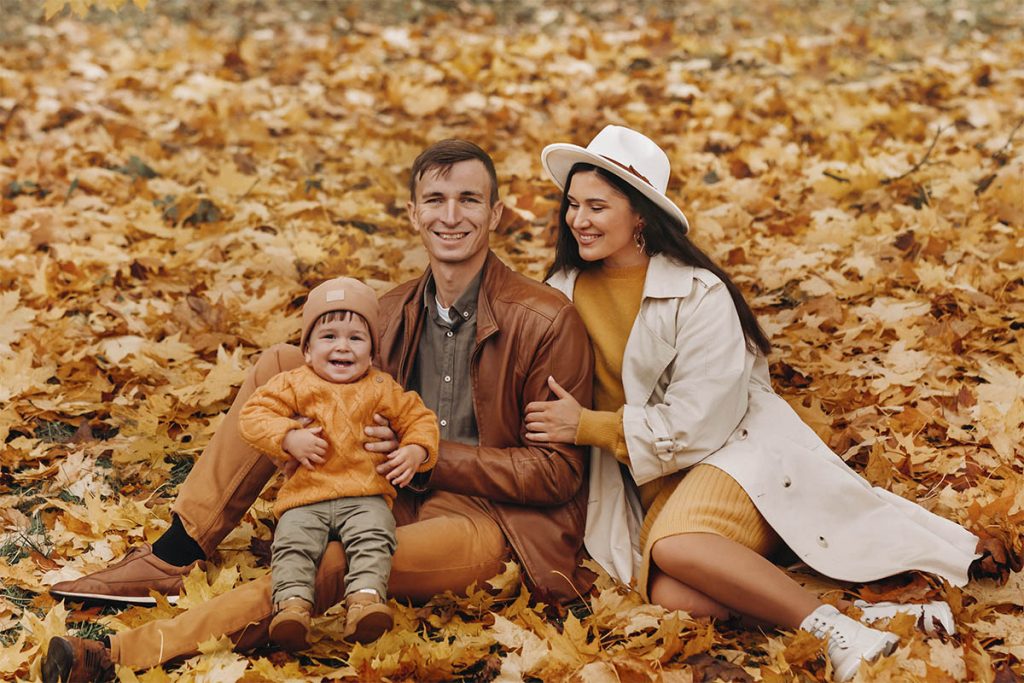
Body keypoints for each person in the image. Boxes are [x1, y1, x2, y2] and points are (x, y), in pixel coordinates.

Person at [42, 139, 595, 683]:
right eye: (436, 200)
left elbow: (560, 473)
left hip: (490, 520)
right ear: (413, 213)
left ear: (495, 213)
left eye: (470, 200)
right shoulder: (393, 310)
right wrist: (303, 433)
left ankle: (114, 657)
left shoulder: (544, 320)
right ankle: (175, 552)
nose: (451, 216)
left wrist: (429, 459)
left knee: (323, 565)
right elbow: (327, 383)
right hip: (385, 492)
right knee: (282, 364)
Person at [524, 125, 981, 682]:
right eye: (573, 204)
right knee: (676, 594)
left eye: (598, 206)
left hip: (737, 459)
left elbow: (700, 423)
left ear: (640, 215)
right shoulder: (560, 289)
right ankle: (870, 615)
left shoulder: (699, 293)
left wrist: (586, 425)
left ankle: (843, 639)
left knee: (677, 545)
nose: (579, 220)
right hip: (650, 480)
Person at [238, 276, 439, 648]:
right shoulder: (294, 383)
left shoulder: (381, 388)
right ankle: (293, 606)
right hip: (306, 496)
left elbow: (420, 419)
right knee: (293, 543)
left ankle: (364, 601)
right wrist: (287, 436)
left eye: (356, 338)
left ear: (372, 351)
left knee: (376, 535)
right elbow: (253, 415)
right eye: (329, 337)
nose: (342, 347)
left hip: (364, 496)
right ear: (309, 350)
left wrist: (415, 451)